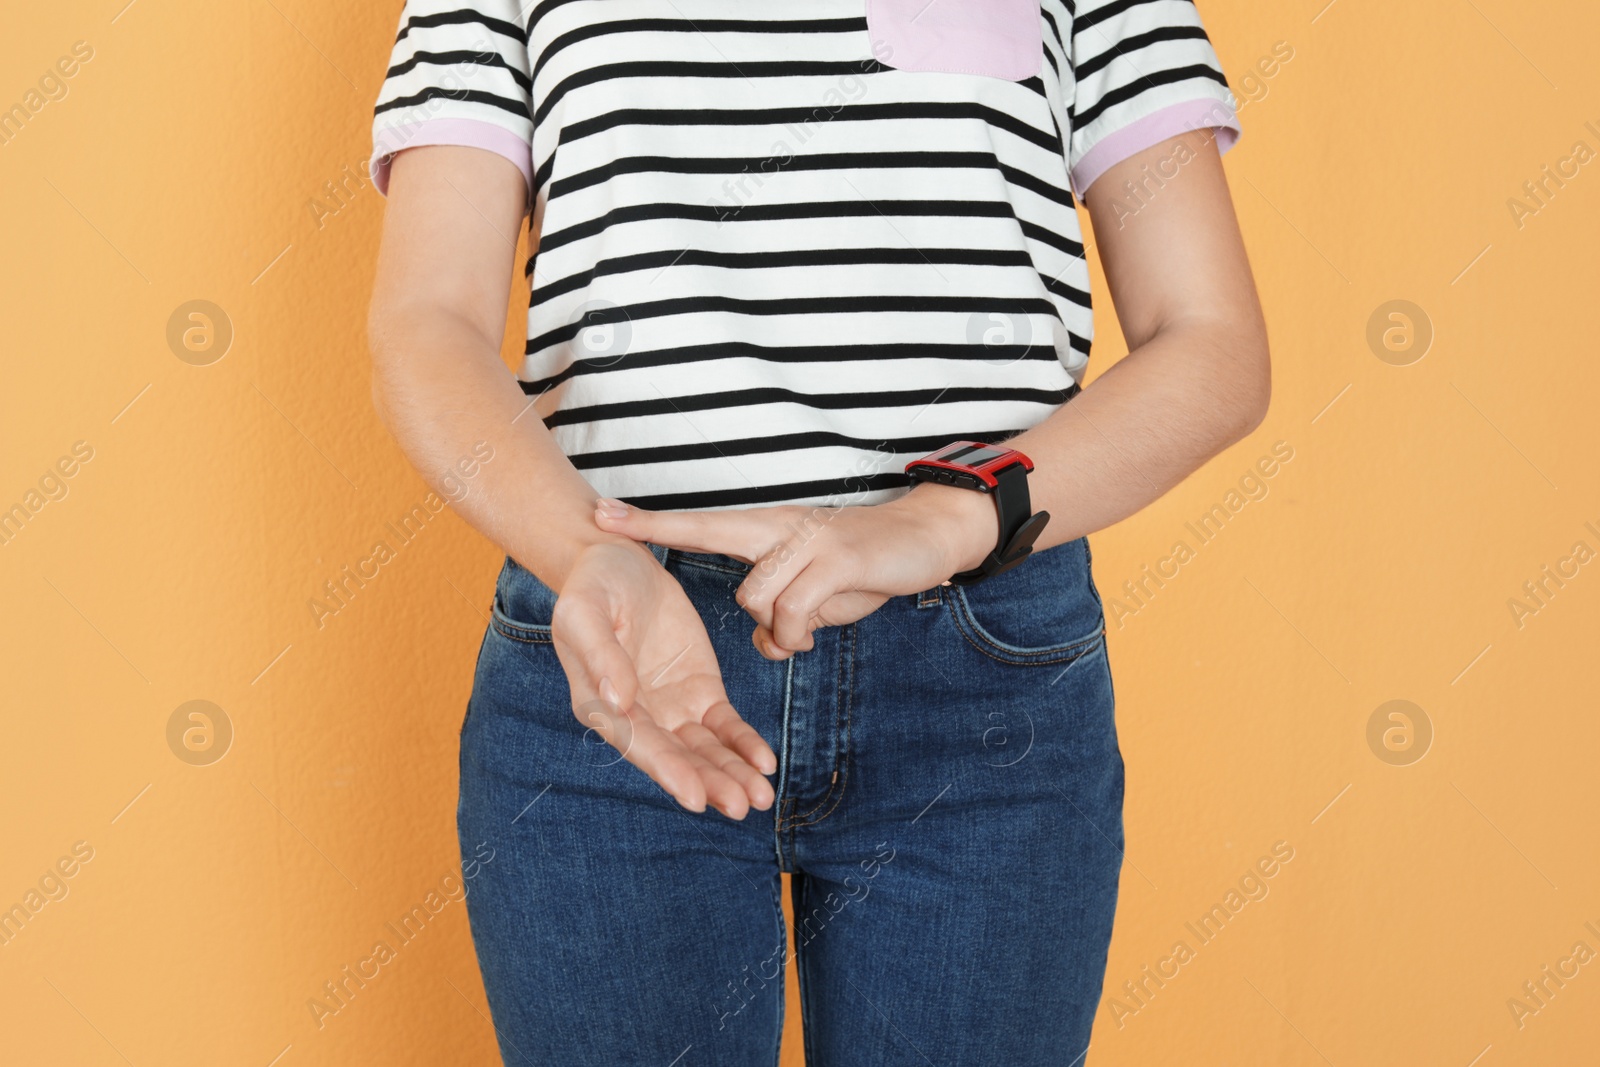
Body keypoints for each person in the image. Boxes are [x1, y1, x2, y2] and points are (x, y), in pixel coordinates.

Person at [367, 0, 1267, 1062]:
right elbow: (430, 317)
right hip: (617, 674)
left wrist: (940, 520)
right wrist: (584, 550)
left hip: (982, 677)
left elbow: (1208, 341)